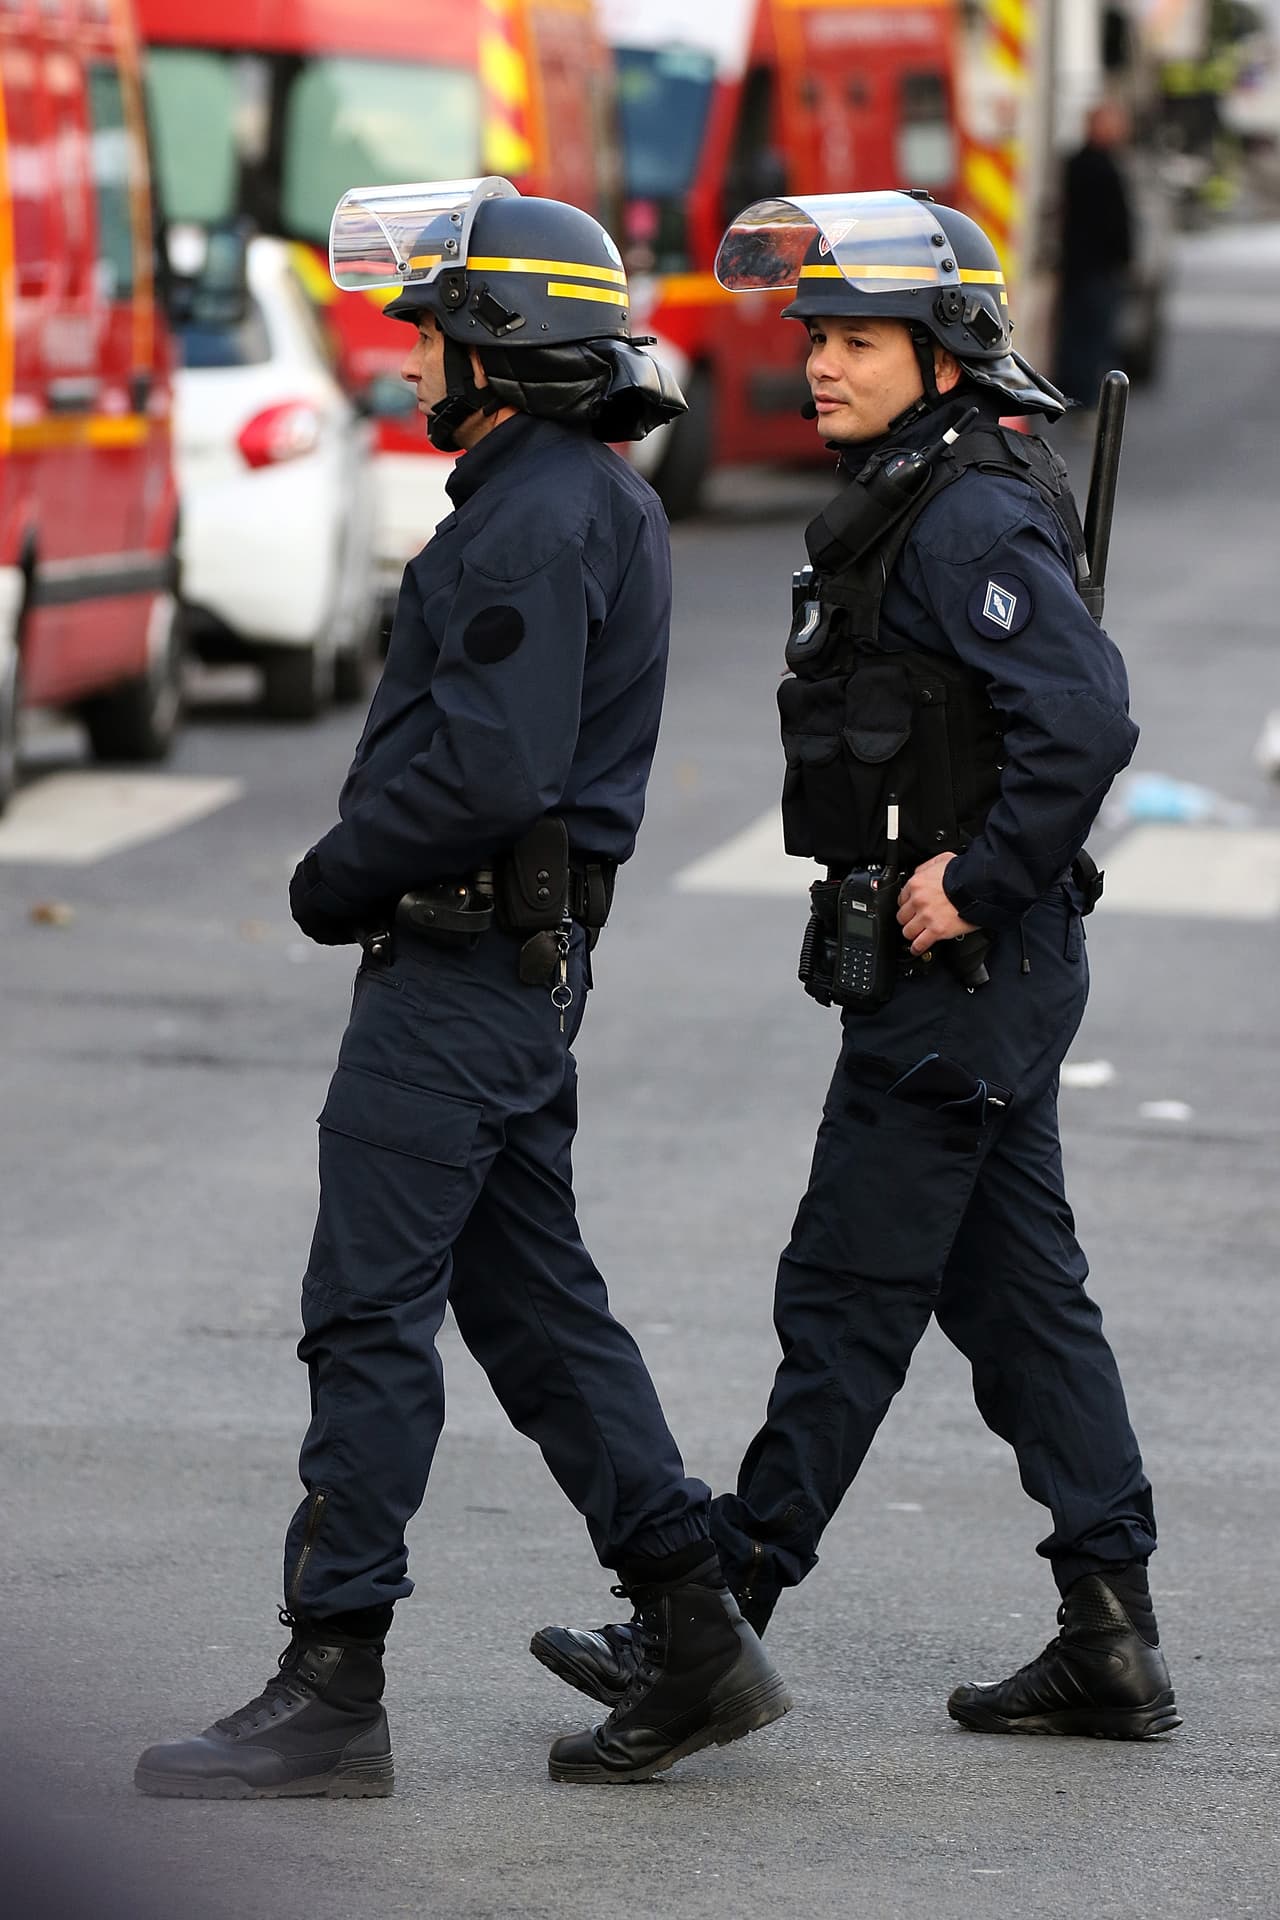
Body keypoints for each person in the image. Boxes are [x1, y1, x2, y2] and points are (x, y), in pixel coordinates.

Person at [134, 179, 790, 1798]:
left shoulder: (538, 507)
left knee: (368, 1317)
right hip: (510, 968)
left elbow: (483, 769)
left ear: (497, 346)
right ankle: (694, 1632)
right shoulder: (571, 494)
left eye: (431, 331)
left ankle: (332, 1678)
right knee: (535, 1310)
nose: (412, 361)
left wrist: (334, 871)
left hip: (457, 969)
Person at [532, 188, 1180, 1742]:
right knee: (1020, 1299)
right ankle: (1111, 1626)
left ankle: (717, 1623)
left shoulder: (967, 512)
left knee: (845, 1291)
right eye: (816, 337)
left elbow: (1084, 722)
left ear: (943, 351)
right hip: (973, 977)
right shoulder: (917, 488)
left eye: (857, 341)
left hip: (967, 974)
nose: (821, 364)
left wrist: (981, 872)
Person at [1054, 101, 1135, 413]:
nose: (1120, 130)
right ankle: (1083, 400)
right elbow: (1110, 222)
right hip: (1095, 269)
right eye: (1113, 123)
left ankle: (1076, 397)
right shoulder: (1095, 165)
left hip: (1086, 267)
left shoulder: (1086, 162)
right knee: (1090, 338)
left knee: (1081, 336)